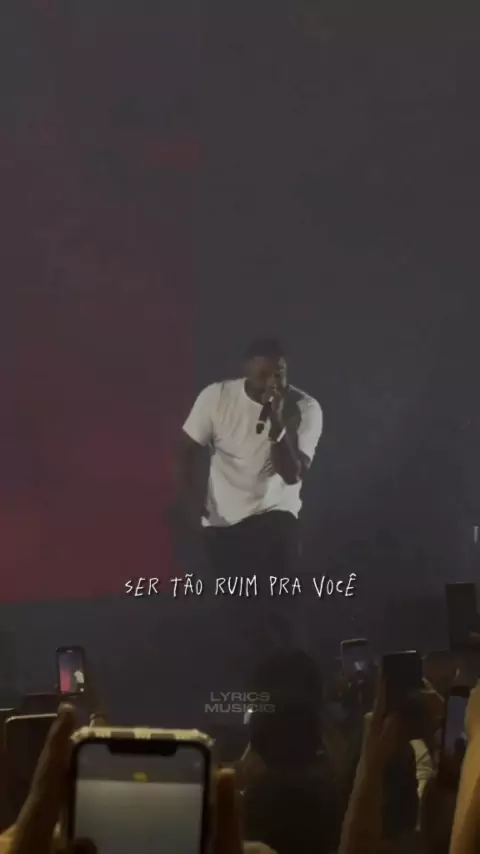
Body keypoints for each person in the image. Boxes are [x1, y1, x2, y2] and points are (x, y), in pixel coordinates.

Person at [175, 338, 323, 679]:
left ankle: (296, 688)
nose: (272, 383)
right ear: (246, 373)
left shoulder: (305, 408)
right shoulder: (217, 397)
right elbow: (185, 451)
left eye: (279, 374)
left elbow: (291, 474)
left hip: (276, 513)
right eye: (263, 376)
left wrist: (277, 427)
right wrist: (192, 508)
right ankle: (256, 691)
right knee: (242, 617)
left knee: (281, 608)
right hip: (225, 523)